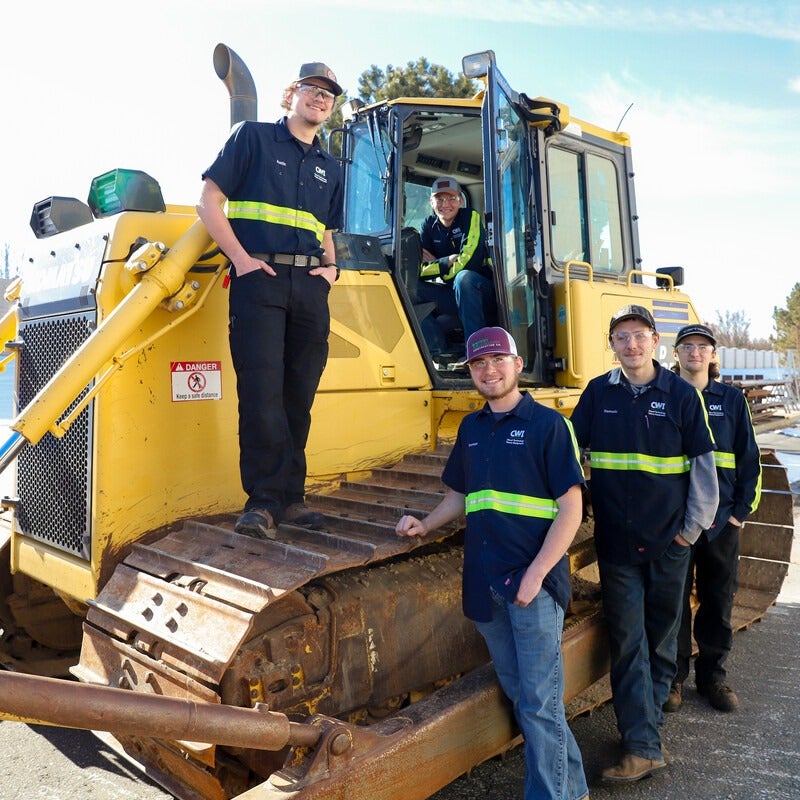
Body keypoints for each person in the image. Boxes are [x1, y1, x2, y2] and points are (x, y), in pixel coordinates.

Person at [396, 326, 589, 800]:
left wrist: (538, 574)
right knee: (525, 697)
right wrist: (425, 523)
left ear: (518, 364)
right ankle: (574, 788)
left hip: (532, 587)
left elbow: (572, 508)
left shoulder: (548, 425)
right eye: (479, 364)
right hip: (487, 585)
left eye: (498, 359)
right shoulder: (472, 428)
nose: (489, 370)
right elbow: (461, 494)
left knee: (541, 704)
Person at [569, 304, 718, 784]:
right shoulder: (597, 394)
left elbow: (703, 469)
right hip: (616, 545)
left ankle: (646, 734)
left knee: (660, 640)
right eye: (621, 337)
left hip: (667, 542)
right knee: (628, 643)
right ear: (611, 345)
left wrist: (688, 532)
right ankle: (642, 744)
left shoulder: (679, 395)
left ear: (655, 342)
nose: (630, 345)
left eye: (639, 336)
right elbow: (570, 452)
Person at [196, 62, 344, 539]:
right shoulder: (252, 139)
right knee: (262, 394)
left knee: (298, 395)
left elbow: (325, 231)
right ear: (292, 94)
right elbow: (207, 201)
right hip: (258, 279)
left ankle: (292, 499)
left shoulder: (330, 166)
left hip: (309, 288)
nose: (320, 99)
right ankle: (262, 503)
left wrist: (331, 268)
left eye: (328, 95)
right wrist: (238, 259)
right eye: (312, 90)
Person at [665, 323, 761, 714]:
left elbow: (749, 457)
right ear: (676, 353)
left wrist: (740, 513)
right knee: (672, 603)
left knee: (717, 601)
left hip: (721, 522)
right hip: (675, 521)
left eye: (702, 347)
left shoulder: (731, 400)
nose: (695, 353)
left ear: (712, 354)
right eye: (687, 346)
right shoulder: (664, 396)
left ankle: (713, 678)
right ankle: (673, 680)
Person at [417, 176, 496, 357]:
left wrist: (436, 267)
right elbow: (417, 270)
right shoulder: (428, 226)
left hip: (483, 291)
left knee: (464, 277)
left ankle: (476, 352)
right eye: (440, 199)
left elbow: (471, 261)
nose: (446, 204)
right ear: (431, 202)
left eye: (452, 198)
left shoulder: (471, 217)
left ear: (460, 201)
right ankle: (437, 350)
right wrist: (446, 262)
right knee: (410, 287)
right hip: (454, 293)